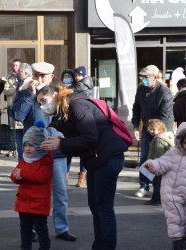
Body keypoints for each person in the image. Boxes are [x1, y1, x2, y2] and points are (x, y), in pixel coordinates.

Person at [38, 84, 128, 250]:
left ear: (56, 95)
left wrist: (61, 143)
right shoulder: (62, 112)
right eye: (39, 103)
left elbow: (90, 137)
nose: (42, 106)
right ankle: (99, 245)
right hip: (95, 160)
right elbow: (60, 131)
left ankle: (106, 246)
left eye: (44, 100)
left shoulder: (77, 105)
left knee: (104, 207)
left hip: (108, 157)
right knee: (95, 206)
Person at [13, 62, 76, 242]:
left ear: (51, 77)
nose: (39, 79)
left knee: (60, 192)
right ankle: (32, 229)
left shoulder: (58, 95)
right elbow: (17, 115)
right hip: (34, 155)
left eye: (43, 76)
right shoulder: (25, 93)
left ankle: (62, 228)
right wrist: (29, 94)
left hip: (57, 153)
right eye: (37, 75)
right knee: (32, 191)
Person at [142, 122, 186, 250]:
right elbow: (161, 163)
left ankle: (183, 240)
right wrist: (151, 165)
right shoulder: (173, 155)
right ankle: (178, 245)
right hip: (172, 195)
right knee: (176, 220)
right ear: (180, 142)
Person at [132, 65, 174, 198]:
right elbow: (136, 107)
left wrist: (158, 132)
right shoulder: (141, 89)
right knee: (145, 158)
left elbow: (165, 116)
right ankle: (144, 186)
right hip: (146, 129)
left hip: (161, 131)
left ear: (155, 77)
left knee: (160, 159)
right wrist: (135, 126)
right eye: (141, 77)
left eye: (146, 77)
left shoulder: (165, 92)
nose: (143, 79)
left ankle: (160, 189)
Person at [11, 120, 53, 250]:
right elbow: (15, 175)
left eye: (31, 145)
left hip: (38, 203)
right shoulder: (25, 159)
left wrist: (23, 173)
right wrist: (16, 176)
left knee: (41, 230)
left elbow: (42, 177)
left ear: (40, 146)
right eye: (25, 145)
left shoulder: (46, 159)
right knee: (25, 230)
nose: (27, 148)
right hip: (23, 202)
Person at [61, 69, 87, 188]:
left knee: (84, 152)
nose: (76, 77)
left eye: (77, 75)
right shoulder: (63, 88)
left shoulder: (82, 86)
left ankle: (82, 177)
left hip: (81, 123)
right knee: (67, 150)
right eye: (74, 75)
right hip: (68, 124)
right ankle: (64, 176)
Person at [144, 119, 174, 205]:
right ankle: (159, 199)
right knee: (160, 183)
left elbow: (159, 155)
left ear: (160, 129)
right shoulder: (165, 137)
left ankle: (156, 199)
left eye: (153, 129)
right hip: (166, 165)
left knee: (157, 183)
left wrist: (154, 166)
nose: (151, 131)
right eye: (150, 129)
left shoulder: (159, 139)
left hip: (159, 165)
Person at [13, 63, 33, 161]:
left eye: (20, 71)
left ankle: (23, 166)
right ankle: (21, 165)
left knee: (25, 145)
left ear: (26, 72)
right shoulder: (20, 83)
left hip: (25, 119)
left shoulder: (30, 83)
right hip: (18, 119)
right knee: (19, 144)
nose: (18, 73)